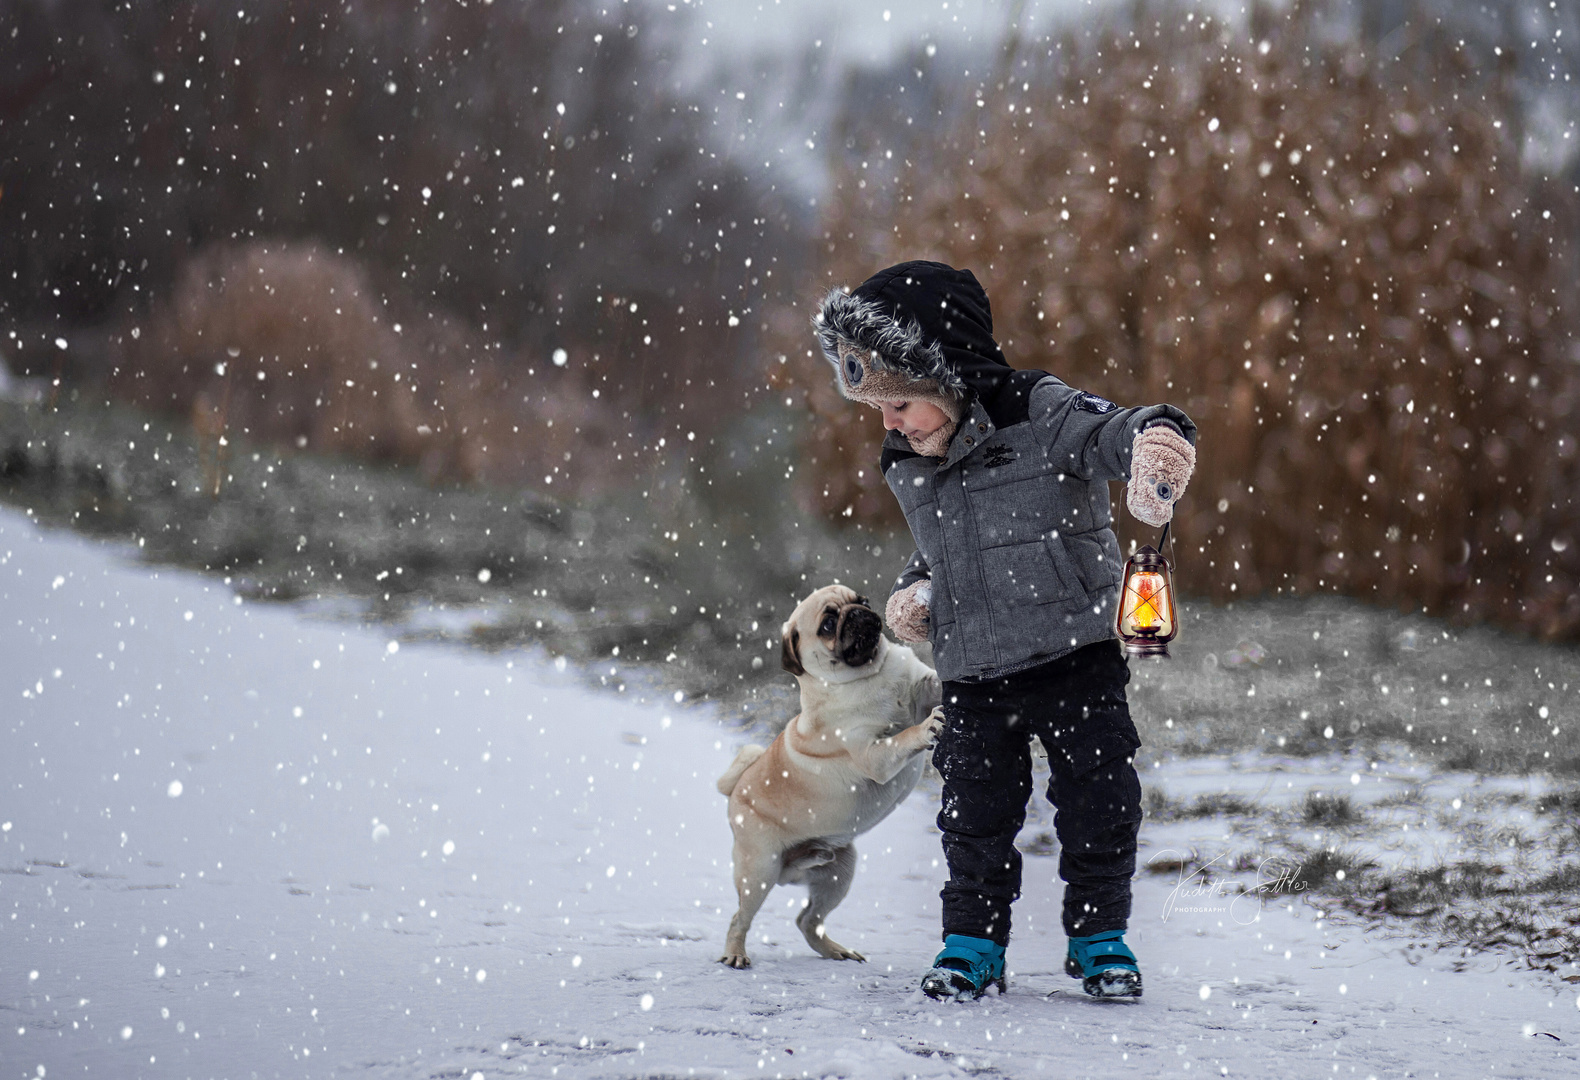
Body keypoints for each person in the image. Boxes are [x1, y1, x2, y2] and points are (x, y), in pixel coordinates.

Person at [812, 260, 1197, 1000]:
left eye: (897, 402)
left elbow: (1113, 430)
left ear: (944, 373)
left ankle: (1099, 938)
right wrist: (915, 590)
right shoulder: (910, 459)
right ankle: (971, 945)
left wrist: (1155, 440)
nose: (887, 422)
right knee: (974, 816)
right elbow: (942, 545)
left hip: (1073, 653)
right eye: (878, 408)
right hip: (976, 669)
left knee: (1099, 800)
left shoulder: (1038, 410)